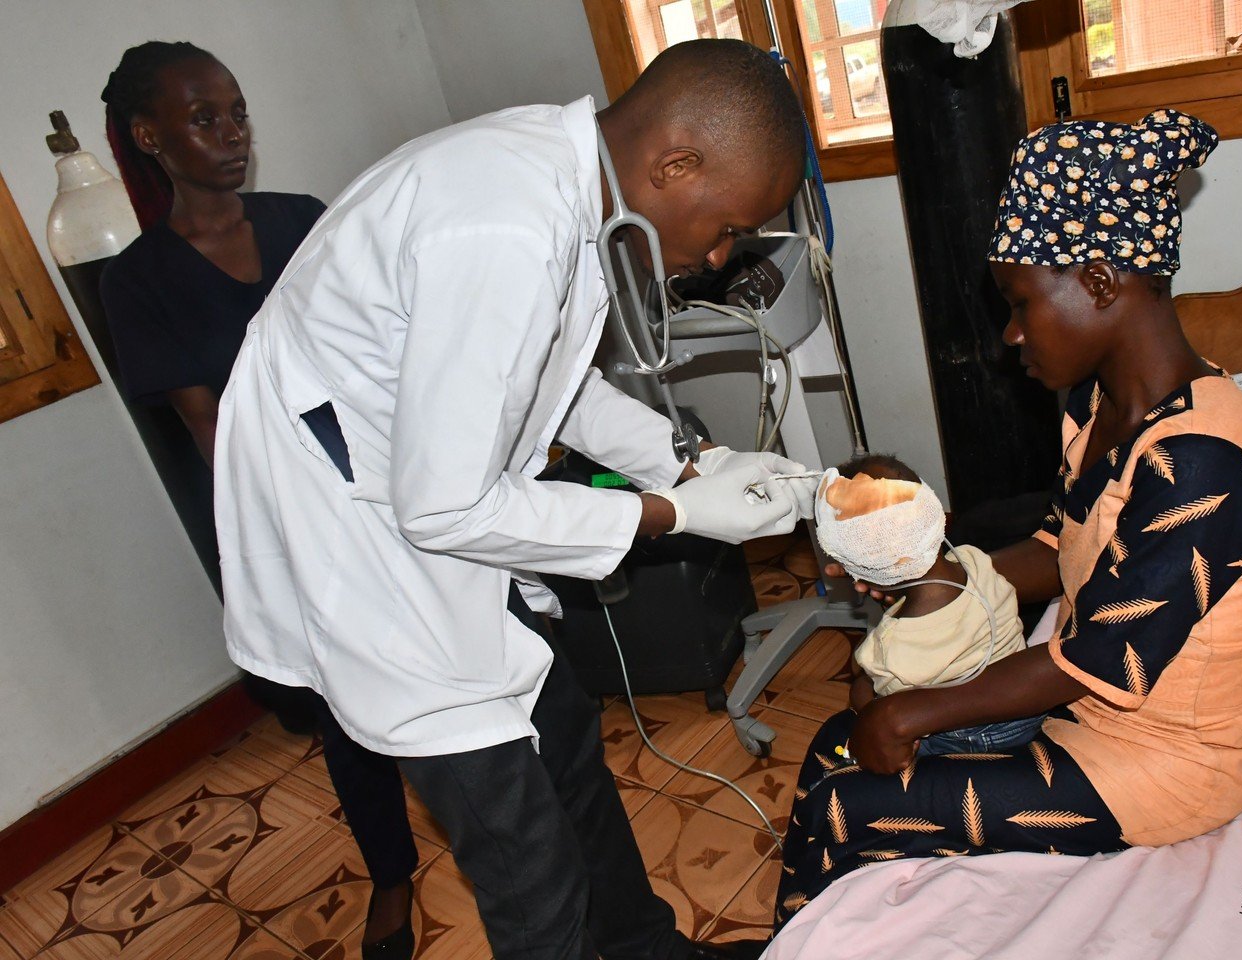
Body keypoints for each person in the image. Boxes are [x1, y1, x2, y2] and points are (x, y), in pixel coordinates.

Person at [213, 38, 816, 960]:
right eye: (730, 224)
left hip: (421, 491)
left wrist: (688, 461)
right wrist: (676, 514)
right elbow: (444, 510)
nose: (720, 252)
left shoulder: (566, 176)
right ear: (676, 164)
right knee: (519, 844)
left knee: (563, 731)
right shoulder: (506, 226)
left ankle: (645, 950)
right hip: (368, 534)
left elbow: (556, 380)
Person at [767, 109, 1242, 932]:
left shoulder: (1208, 464)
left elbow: (1093, 660)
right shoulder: (1101, 407)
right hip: (1090, 714)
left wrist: (911, 713)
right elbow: (1059, 549)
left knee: (846, 803)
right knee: (838, 740)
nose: (1010, 335)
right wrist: (921, 569)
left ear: (1096, 283)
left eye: (1019, 303)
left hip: (1166, 765)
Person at [98, 41, 421, 958]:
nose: (233, 136)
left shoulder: (306, 221)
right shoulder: (139, 282)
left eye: (238, 112)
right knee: (346, 710)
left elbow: (382, 357)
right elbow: (215, 434)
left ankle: (508, 818)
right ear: (150, 137)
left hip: (395, 480)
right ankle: (392, 874)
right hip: (291, 517)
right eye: (205, 120)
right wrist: (308, 545)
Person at [815, 454, 1041, 760]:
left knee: (860, 688)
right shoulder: (974, 559)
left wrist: (864, 692)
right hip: (1026, 713)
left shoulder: (890, 648)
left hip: (965, 736)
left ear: (870, 580)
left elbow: (886, 703)